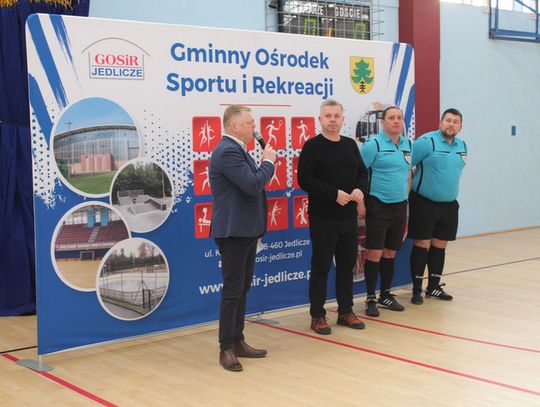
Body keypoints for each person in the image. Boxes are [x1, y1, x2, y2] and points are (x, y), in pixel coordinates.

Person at [209, 105, 276, 371]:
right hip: (234, 231)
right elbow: (252, 185)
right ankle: (226, 348)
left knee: (242, 288)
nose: (254, 127)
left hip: (246, 230)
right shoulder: (227, 151)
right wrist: (268, 162)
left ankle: (237, 341)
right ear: (235, 126)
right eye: (250, 123)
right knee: (233, 289)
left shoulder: (238, 150)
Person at [298, 99, 368, 335]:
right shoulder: (312, 146)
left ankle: (346, 311)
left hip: (348, 218)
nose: (332, 120)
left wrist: (359, 189)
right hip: (323, 218)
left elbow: (363, 173)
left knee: (347, 266)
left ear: (342, 119)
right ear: (320, 119)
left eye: (336, 116)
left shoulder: (350, 145)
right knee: (321, 267)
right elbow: (304, 179)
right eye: (328, 116)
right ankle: (317, 315)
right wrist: (333, 194)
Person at [408, 108, 467, 304]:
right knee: (422, 245)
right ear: (441, 122)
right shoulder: (426, 141)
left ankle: (433, 287)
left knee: (440, 245)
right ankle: (416, 290)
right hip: (424, 203)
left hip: (449, 205)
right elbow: (406, 166)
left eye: (455, 122)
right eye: (448, 120)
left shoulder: (462, 145)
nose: (451, 124)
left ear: (460, 127)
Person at [360, 106, 412, 317]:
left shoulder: (408, 144)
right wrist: (360, 203)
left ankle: (385, 295)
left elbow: (408, 172)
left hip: (400, 206)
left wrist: (406, 195)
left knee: (390, 252)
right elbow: (359, 174)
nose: (396, 121)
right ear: (383, 122)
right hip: (378, 205)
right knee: (375, 253)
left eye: (399, 118)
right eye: (391, 118)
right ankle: (370, 297)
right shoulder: (373, 145)